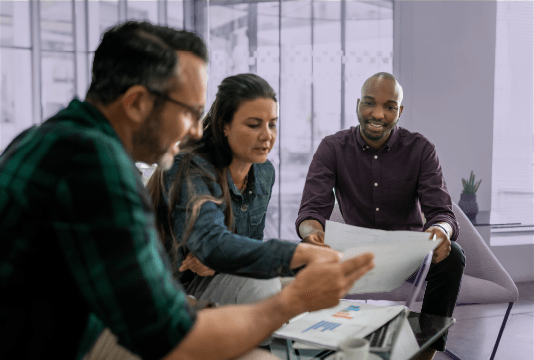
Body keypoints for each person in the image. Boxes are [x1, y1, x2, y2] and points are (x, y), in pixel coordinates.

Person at [0, 21, 375, 360]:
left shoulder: (51, 137)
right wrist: (292, 301)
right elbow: (170, 334)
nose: (197, 130)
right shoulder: (93, 161)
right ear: (136, 103)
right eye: (190, 112)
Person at [295, 72, 465, 360]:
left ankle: (424, 353)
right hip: (352, 253)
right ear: (358, 104)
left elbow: (442, 212)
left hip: (408, 255)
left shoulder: (421, 150)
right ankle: (317, 348)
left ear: (399, 111)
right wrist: (311, 233)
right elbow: (311, 211)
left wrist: (441, 232)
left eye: (389, 106)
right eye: (370, 103)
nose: (378, 114)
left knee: (454, 257)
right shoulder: (332, 147)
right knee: (299, 259)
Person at [149, 73, 334, 307]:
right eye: (254, 125)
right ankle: (260, 342)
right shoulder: (189, 167)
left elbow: (248, 243)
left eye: (272, 124)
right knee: (263, 285)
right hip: (174, 287)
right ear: (224, 125)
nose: (267, 135)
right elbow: (212, 244)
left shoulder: (264, 172)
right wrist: (219, 257)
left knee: (312, 281)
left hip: (219, 278)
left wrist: (305, 250)